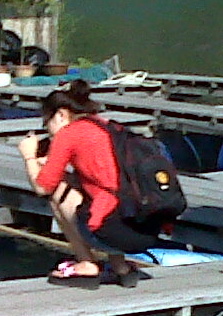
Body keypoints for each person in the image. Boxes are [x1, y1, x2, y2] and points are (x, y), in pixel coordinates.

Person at [18, 81, 149, 286]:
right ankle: (121, 267)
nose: (48, 131)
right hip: (143, 228)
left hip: (112, 232)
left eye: (46, 123)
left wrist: (29, 156)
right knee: (105, 192)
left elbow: (42, 187)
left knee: (58, 190)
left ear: (60, 115)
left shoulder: (69, 133)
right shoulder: (106, 126)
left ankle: (87, 263)